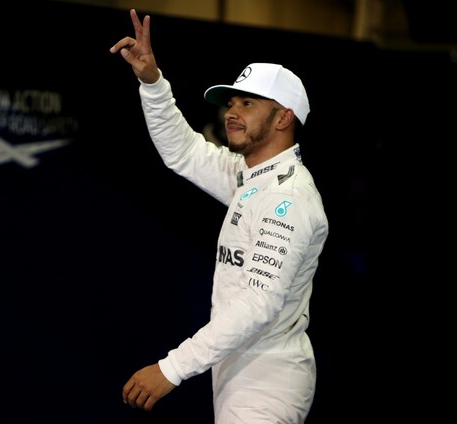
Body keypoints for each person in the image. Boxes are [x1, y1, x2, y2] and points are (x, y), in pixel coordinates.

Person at [110, 9, 329, 423]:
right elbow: (184, 152)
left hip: (268, 382)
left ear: (284, 117)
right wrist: (152, 84)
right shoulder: (252, 177)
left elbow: (259, 303)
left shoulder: (289, 197)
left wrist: (171, 368)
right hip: (238, 371)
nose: (231, 111)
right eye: (231, 102)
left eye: (248, 103)